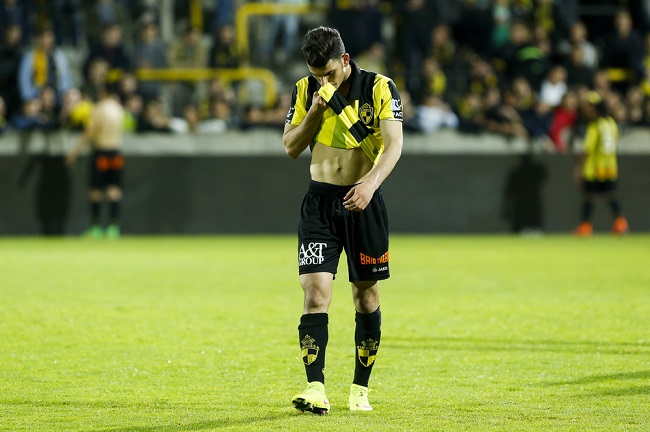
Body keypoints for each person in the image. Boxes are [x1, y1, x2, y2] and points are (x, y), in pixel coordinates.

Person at [283, 26, 403, 414]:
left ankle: (359, 389)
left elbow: (394, 143)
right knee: (315, 293)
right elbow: (290, 147)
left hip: (363, 201)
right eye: (316, 74)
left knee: (366, 297)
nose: (323, 81)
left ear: (345, 60)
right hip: (320, 204)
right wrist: (315, 110)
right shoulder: (305, 90)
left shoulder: (380, 88)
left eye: (329, 74)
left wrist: (369, 184)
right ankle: (315, 387)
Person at [66, 87, 125, 238]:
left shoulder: (99, 109)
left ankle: (96, 228)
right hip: (116, 152)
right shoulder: (119, 110)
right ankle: (114, 227)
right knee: (114, 190)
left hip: (102, 153)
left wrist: (74, 152)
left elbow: (89, 133)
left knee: (96, 191)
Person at [573, 91, 629, 236]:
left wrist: (578, 168)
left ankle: (585, 227)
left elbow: (587, 150)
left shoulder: (594, 126)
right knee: (611, 195)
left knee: (589, 197)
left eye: (590, 106)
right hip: (609, 167)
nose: (588, 109)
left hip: (594, 168)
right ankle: (620, 223)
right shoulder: (611, 124)